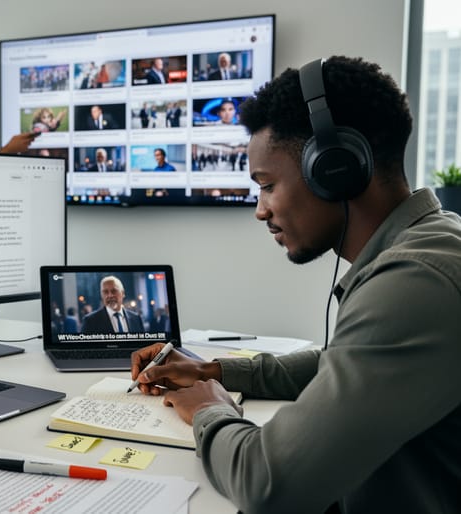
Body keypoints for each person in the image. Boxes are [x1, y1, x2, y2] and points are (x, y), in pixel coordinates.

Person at [130, 56, 461, 513]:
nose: (260, 210)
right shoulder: (431, 242)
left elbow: (268, 483)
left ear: (334, 169)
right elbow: (344, 363)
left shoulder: (417, 280)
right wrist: (216, 372)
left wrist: (209, 409)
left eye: (266, 185)